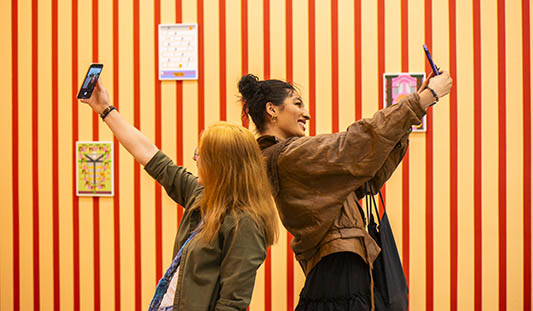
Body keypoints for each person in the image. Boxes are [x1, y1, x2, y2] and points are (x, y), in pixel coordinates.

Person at [238, 71, 453, 310]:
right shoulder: (289, 155)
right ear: (272, 110)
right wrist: (424, 99)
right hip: (340, 270)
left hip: (338, 267)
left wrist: (416, 105)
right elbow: (354, 143)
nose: (306, 114)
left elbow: (367, 177)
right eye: (297, 103)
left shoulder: (287, 158)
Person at [81, 80, 279, 311]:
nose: (196, 159)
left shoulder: (245, 222)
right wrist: (106, 110)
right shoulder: (202, 195)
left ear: (222, 165)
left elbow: (232, 304)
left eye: (201, 154)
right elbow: (150, 156)